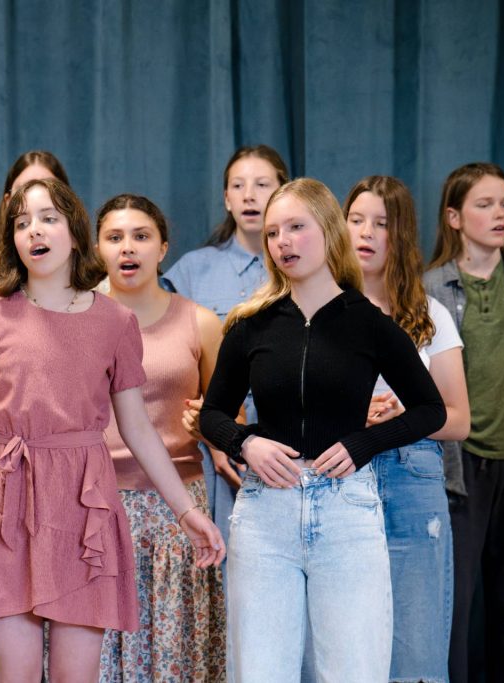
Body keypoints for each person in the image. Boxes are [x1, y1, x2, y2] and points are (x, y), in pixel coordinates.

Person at [0, 177, 224, 682]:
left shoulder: (114, 321)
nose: (34, 231)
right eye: (21, 223)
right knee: (15, 674)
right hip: (8, 499)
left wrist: (185, 511)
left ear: (74, 231)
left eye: (48, 218)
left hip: (83, 504)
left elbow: (137, 428)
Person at [199, 177, 446, 682]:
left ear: (329, 231)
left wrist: (365, 443)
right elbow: (212, 414)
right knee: (262, 672)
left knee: (354, 671)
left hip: (348, 510)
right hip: (266, 512)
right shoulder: (251, 324)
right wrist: (245, 442)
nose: (283, 241)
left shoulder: (372, 325)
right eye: (273, 233)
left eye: (296, 227)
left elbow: (430, 409)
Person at [343, 175, 470, 682]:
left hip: (410, 482)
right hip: (340, 478)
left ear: (402, 235)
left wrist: (408, 413)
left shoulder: (429, 314)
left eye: (382, 223)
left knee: (414, 649)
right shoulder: (320, 312)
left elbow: (458, 419)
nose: (367, 233)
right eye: (356, 220)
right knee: (345, 646)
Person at [95, 194, 226, 680]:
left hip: (176, 509)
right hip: (95, 507)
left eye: (141, 236)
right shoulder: (76, 319)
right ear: (97, 248)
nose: (128, 248)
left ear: (163, 248)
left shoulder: (201, 322)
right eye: (115, 237)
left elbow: (223, 416)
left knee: (174, 656)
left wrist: (207, 426)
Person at [162, 144, 290, 560]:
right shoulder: (193, 271)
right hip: (215, 452)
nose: (250, 195)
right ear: (226, 198)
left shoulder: (299, 267)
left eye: (262, 184)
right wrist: (217, 436)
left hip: (290, 445)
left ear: (284, 193)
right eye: (239, 185)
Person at [424, 162, 504, 683]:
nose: (499, 214)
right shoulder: (431, 288)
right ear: (455, 217)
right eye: (484, 204)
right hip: (459, 469)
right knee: (453, 610)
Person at [0, 150, 69, 304]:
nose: (36, 196)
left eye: (48, 187)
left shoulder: (91, 279)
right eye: (25, 189)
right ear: (8, 201)